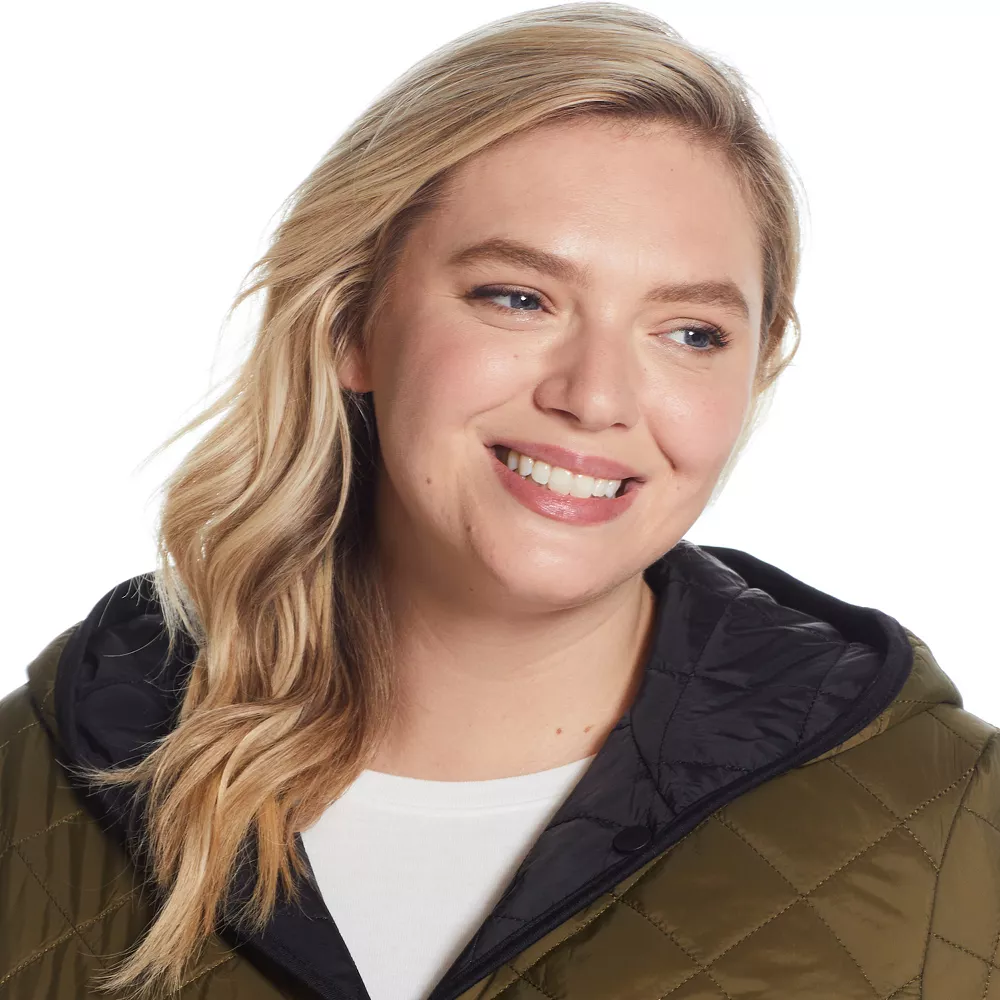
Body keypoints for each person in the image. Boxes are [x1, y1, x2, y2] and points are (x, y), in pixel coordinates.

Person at [1, 3, 996, 998]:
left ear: (755, 368)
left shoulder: (951, 823)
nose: (595, 397)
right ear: (350, 322)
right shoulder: (28, 789)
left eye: (690, 332)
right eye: (518, 298)